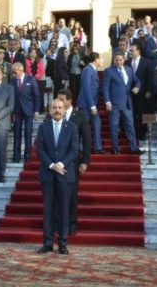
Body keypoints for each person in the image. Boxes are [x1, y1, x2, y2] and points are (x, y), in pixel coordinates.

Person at [36, 99, 78, 255]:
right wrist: (51, 165)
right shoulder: (43, 128)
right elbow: (40, 149)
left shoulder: (72, 128)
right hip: (47, 174)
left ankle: (62, 243)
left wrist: (60, 164)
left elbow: (74, 150)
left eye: (60, 107)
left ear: (64, 108)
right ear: (49, 110)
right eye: (54, 107)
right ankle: (47, 243)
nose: (57, 110)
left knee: (64, 210)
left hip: (65, 175)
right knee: (47, 210)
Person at [57, 89, 91, 234]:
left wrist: (85, 161)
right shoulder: (55, 115)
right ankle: (57, 223)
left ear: (70, 100)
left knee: (71, 193)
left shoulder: (80, 116)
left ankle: (71, 224)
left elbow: (87, 139)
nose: (59, 103)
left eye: (62, 99)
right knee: (56, 193)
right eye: (57, 99)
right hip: (56, 160)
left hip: (73, 161)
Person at [103, 52, 143, 155]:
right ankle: (115, 148)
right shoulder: (109, 71)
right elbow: (105, 88)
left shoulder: (129, 70)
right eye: (116, 60)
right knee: (114, 126)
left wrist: (137, 87)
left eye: (120, 60)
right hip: (114, 104)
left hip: (127, 103)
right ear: (114, 60)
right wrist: (107, 102)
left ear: (124, 60)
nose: (118, 62)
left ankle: (134, 148)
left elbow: (137, 81)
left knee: (130, 125)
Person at [11, 62, 40, 163]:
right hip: (17, 111)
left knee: (28, 133)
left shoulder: (31, 79)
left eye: (14, 72)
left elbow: (36, 96)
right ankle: (16, 156)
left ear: (20, 70)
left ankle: (27, 156)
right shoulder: (12, 81)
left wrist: (36, 111)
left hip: (29, 111)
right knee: (16, 134)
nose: (13, 74)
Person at [78, 52, 105, 154]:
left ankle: (98, 148)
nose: (101, 61)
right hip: (87, 105)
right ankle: (80, 149)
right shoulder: (87, 70)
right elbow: (87, 89)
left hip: (93, 104)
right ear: (96, 60)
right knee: (84, 127)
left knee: (97, 124)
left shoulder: (93, 70)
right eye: (100, 58)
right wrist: (92, 106)